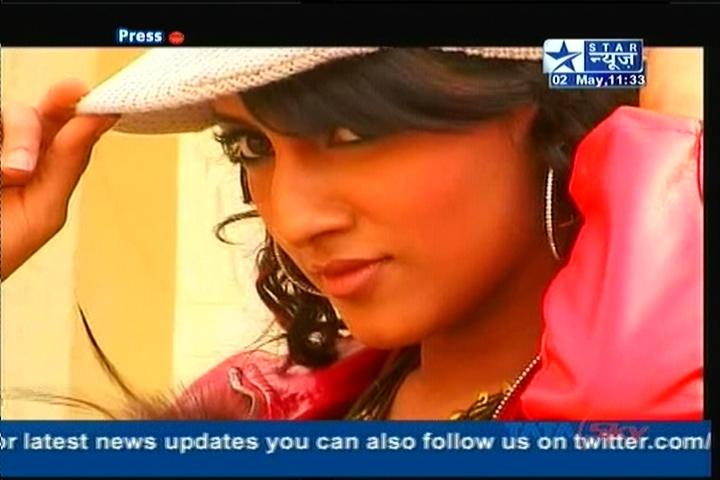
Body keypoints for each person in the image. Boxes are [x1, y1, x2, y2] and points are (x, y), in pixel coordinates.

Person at [0, 47, 703, 420]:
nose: (294, 218)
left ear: (551, 114)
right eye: (252, 147)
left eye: (351, 133)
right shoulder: (252, 412)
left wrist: (679, 130)